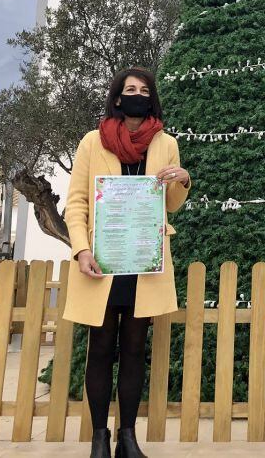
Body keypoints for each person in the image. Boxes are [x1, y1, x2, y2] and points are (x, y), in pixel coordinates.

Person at [63, 67, 191, 458]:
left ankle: (128, 437)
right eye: (129, 89)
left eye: (144, 89)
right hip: (101, 261)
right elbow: (77, 202)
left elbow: (169, 206)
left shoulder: (166, 143)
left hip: (143, 260)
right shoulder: (91, 142)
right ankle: (99, 437)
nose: (136, 94)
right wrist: (81, 249)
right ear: (117, 98)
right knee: (100, 346)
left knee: (136, 347)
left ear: (151, 98)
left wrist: (182, 180)